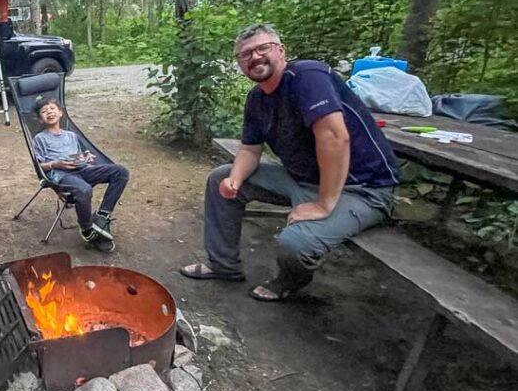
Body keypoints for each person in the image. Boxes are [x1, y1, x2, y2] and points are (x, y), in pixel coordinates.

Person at [180, 24, 401, 301]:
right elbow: (250, 150)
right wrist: (235, 179)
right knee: (219, 178)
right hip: (301, 179)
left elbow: (334, 137)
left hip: (361, 189)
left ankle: (289, 281)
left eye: (263, 48)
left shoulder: (308, 76)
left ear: (281, 51)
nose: (255, 57)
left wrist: (323, 204)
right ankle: (223, 266)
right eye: (245, 55)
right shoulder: (258, 98)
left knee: (294, 243)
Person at [31, 97, 130, 251]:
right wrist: (55, 164)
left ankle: (102, 217)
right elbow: (40, 167)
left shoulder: (71, 136)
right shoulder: (40, 138)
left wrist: (85, 158)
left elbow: (78, 155)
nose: (49, 112)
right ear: (40, 119)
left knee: (120, 172)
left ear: (60, 112)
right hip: (60, 174)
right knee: (84, 189)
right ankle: (87, 228)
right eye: (44, 111)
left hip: (82, 169)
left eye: (52, 109)